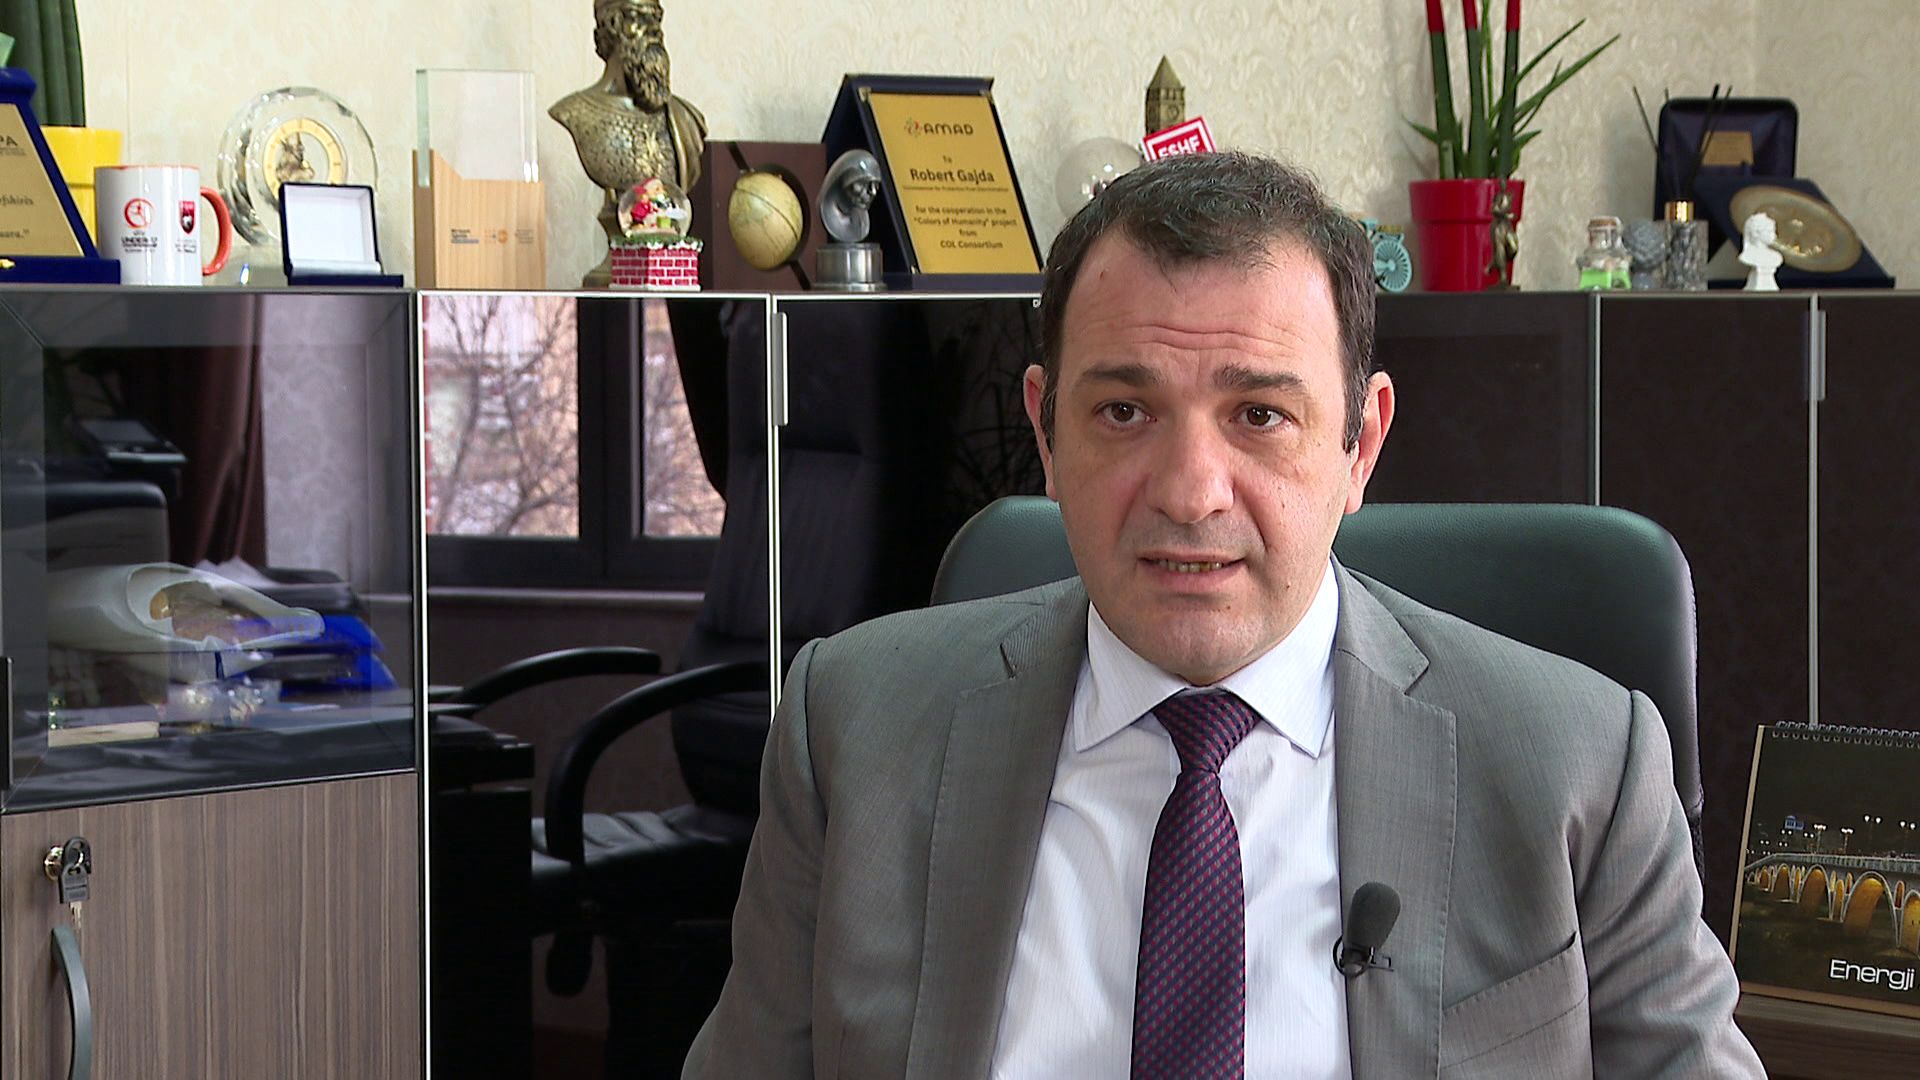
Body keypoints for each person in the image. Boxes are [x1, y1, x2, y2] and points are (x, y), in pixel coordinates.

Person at [683, 151, 1763, 1078]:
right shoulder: (855, 730)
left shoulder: (1581, 765)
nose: (1191, 492)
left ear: (1360, 445)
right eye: (1124, 410)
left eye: (1259, 414)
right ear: (1046, 435)